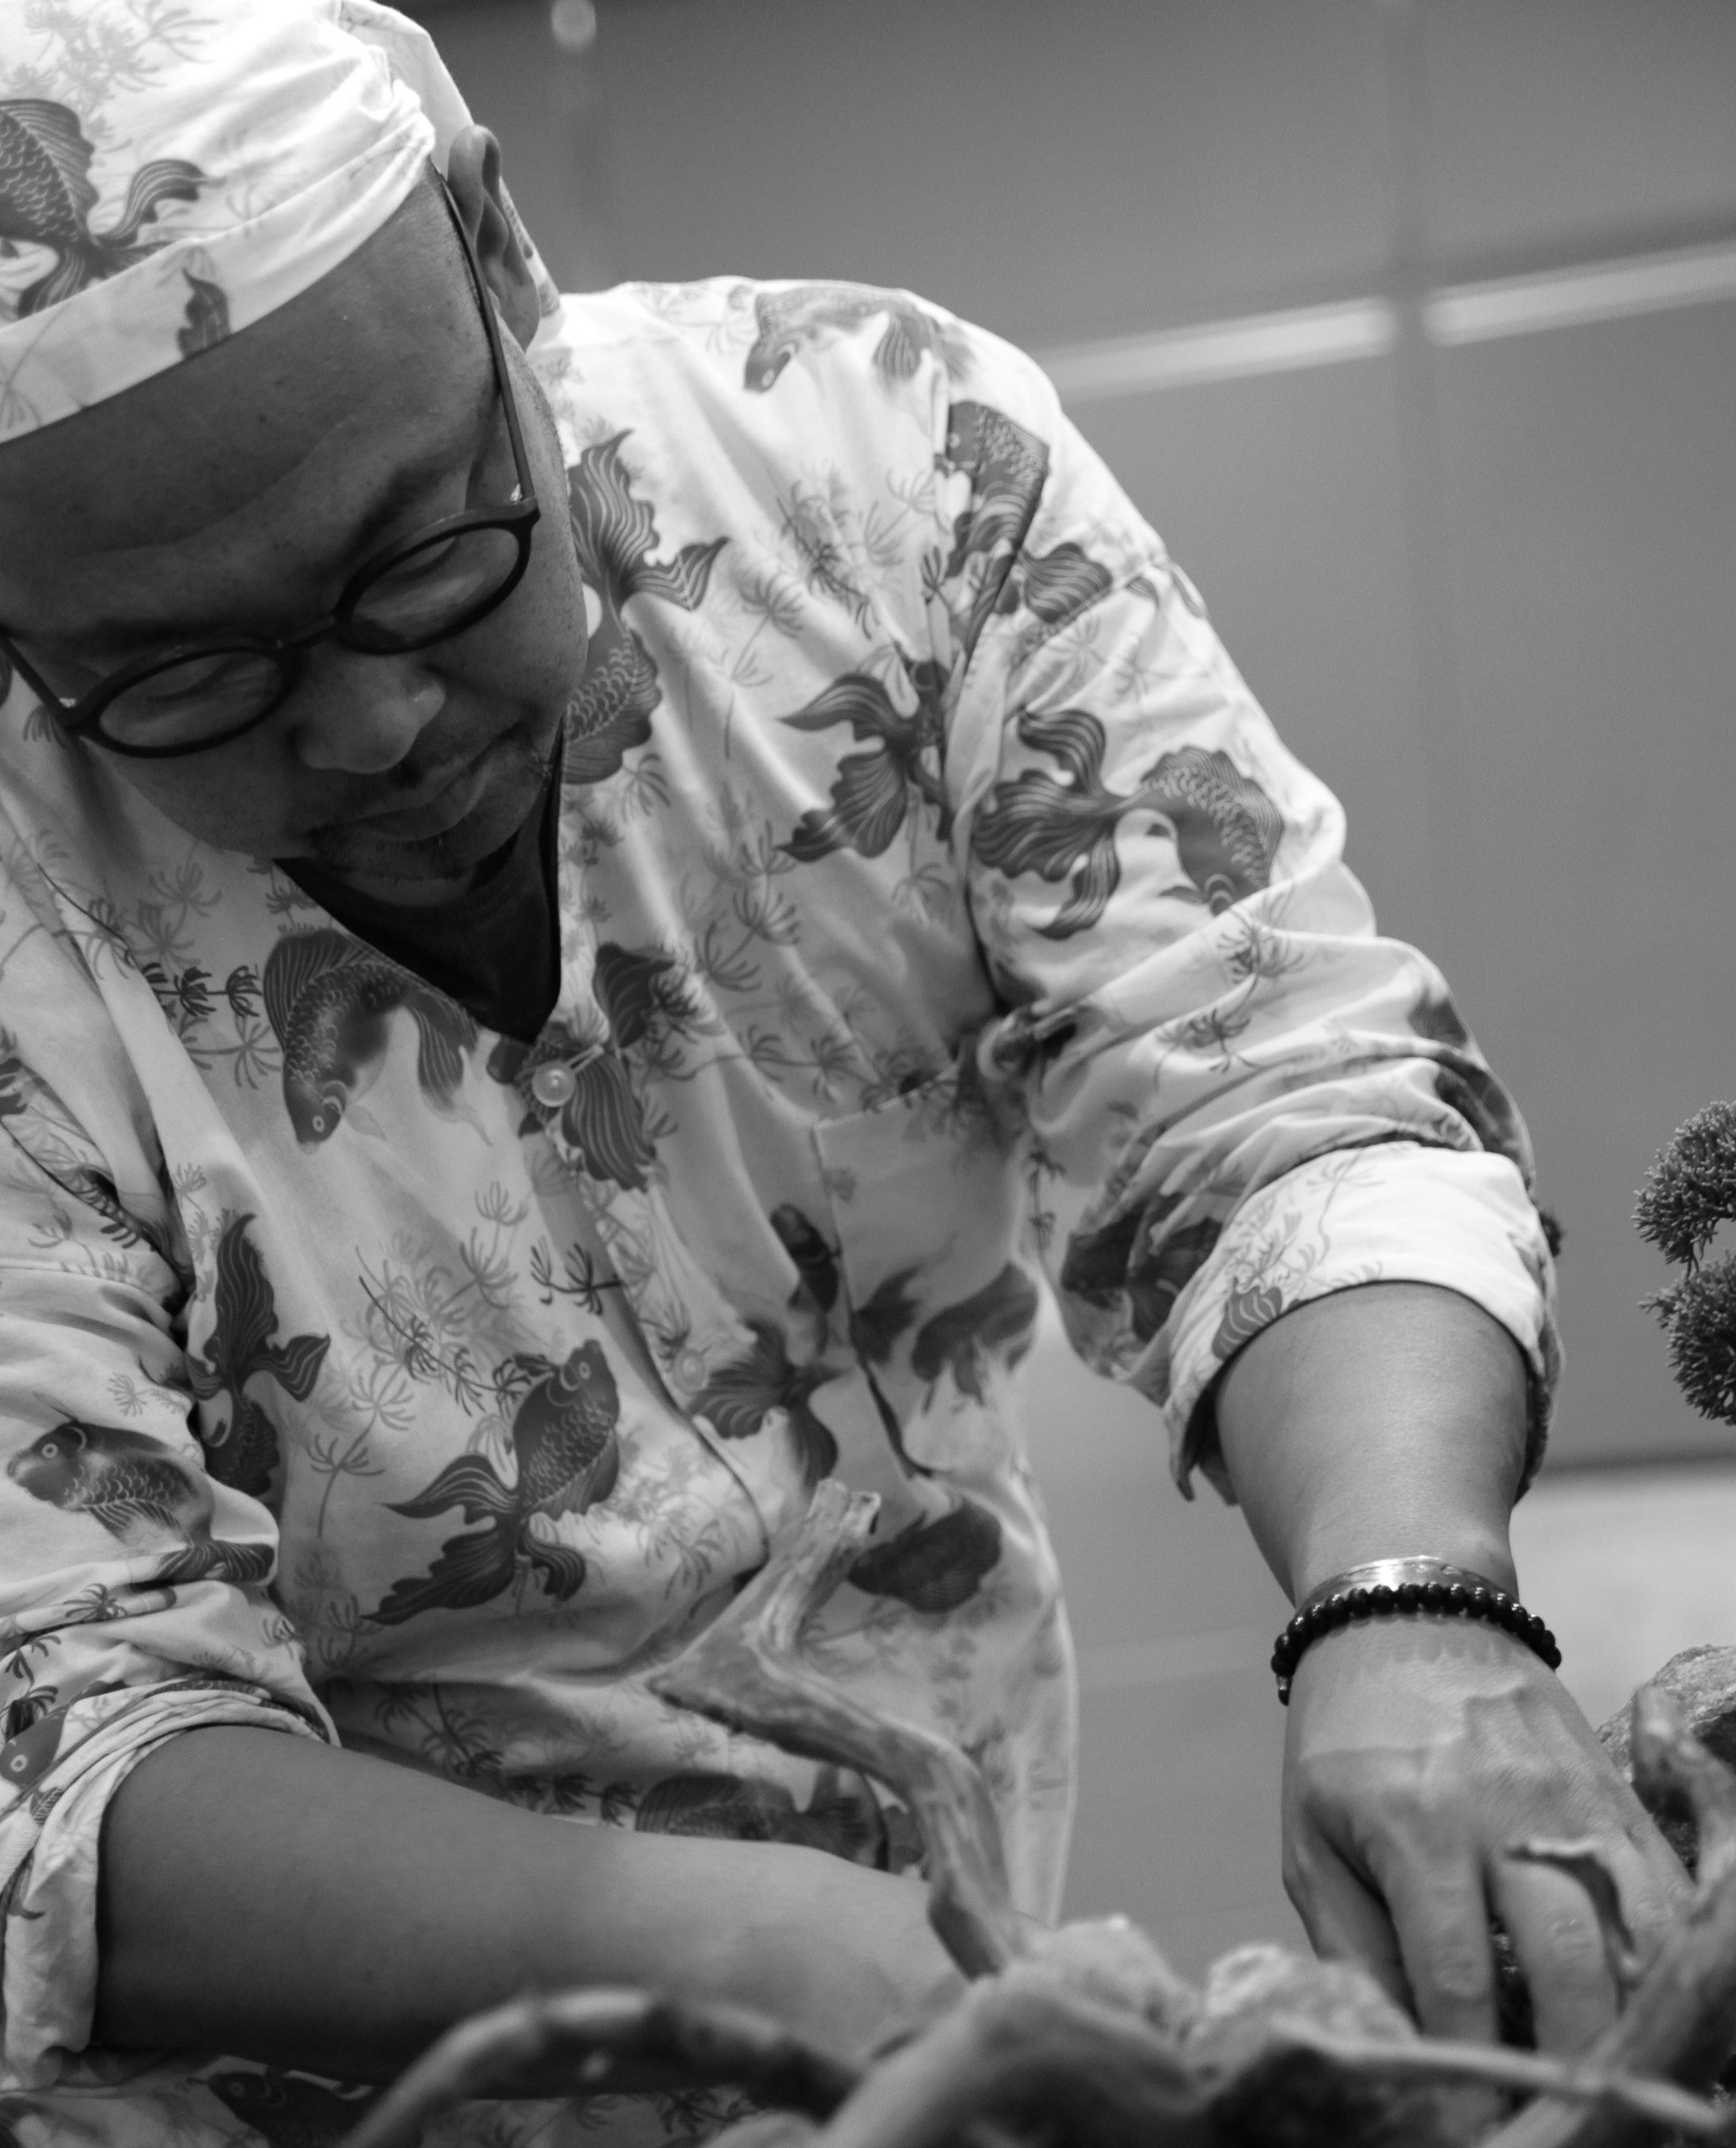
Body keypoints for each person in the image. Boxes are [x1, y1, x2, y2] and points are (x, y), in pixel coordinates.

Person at [0, 2, 1684, 2141]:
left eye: (421, 563)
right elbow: (58, 1734)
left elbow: (1279, 1093)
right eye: (185, 677)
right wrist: (709, 1943)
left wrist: (1405, 1600)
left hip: (937, 1900)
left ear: (499, 258)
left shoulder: (882, 475)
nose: (372, 727)